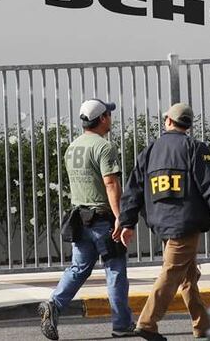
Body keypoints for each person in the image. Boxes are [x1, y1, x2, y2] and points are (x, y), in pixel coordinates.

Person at [118, 103, 210, 341]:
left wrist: (127, 222)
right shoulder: (196, 149)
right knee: (172, 273)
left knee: (188, 276)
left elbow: (133, 190)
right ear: (188, 125)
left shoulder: (150, 151)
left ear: (168, 121)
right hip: (186, 224)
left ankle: (203, 325)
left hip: (161, 224)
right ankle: (147, 323)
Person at [38, 98, 135, 339]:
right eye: (108, 114)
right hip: (103, 219)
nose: (110, 118)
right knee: (115, 269)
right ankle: (122, 324)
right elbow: (110, 183)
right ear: (102, 118)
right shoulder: (104, 147)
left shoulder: (72, 148)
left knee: (79, 268)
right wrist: (120, 218)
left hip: (80, 219)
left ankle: (54, 304)